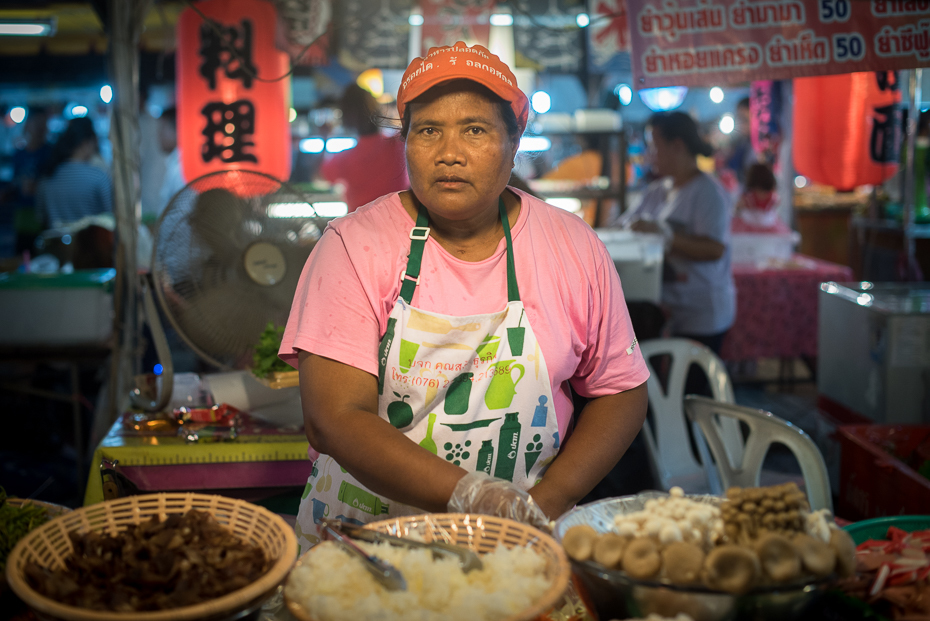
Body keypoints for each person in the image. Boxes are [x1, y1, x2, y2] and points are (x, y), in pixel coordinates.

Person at [280, 42, 649, 551]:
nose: (449, 152)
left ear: (514, 139)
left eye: (475, 129)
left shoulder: (573, 245)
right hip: (365, 542)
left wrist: (546, 501)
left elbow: (619, 388)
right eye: (428, 130)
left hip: (520, 536)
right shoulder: (351, 247)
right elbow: (335, 418)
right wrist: (473, 494)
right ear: (405, 141)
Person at [625, 111, 736, 355]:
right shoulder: (657, 191)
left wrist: (665, 236)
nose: (649, 155)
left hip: (702, 313)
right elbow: (623, 224)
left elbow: (714, 249)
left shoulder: (709, 193)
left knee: (691, 385)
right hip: (669, 308)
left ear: (677, 146)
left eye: (654, 147)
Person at [319, 83, 408, 212]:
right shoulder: (398, 144)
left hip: (359, 228)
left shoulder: (344, 159)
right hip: (397, 224)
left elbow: (319, 177)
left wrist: (324, 138)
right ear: (378, 110)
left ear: (346, 118)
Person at [36, 117, 113, 229]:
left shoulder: (48, 176)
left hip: (57, 243)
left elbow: (41, 217)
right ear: (85, 143)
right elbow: (110, 215)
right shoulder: (98, 177)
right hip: (91, 244)